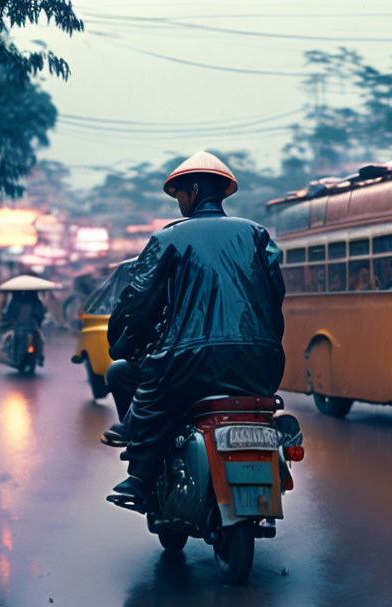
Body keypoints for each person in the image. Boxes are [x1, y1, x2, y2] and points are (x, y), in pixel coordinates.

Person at [104, 151, 285, 509]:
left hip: (188, 361)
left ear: (196, 189)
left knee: (144, 393)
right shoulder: (256, 233)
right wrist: (267, 344)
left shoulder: (169, 238)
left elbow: (139, 301)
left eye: (181, 194)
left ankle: (139, 479)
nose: (180, 203)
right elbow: (275, 294)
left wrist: (123, 341)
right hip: (262, 362)